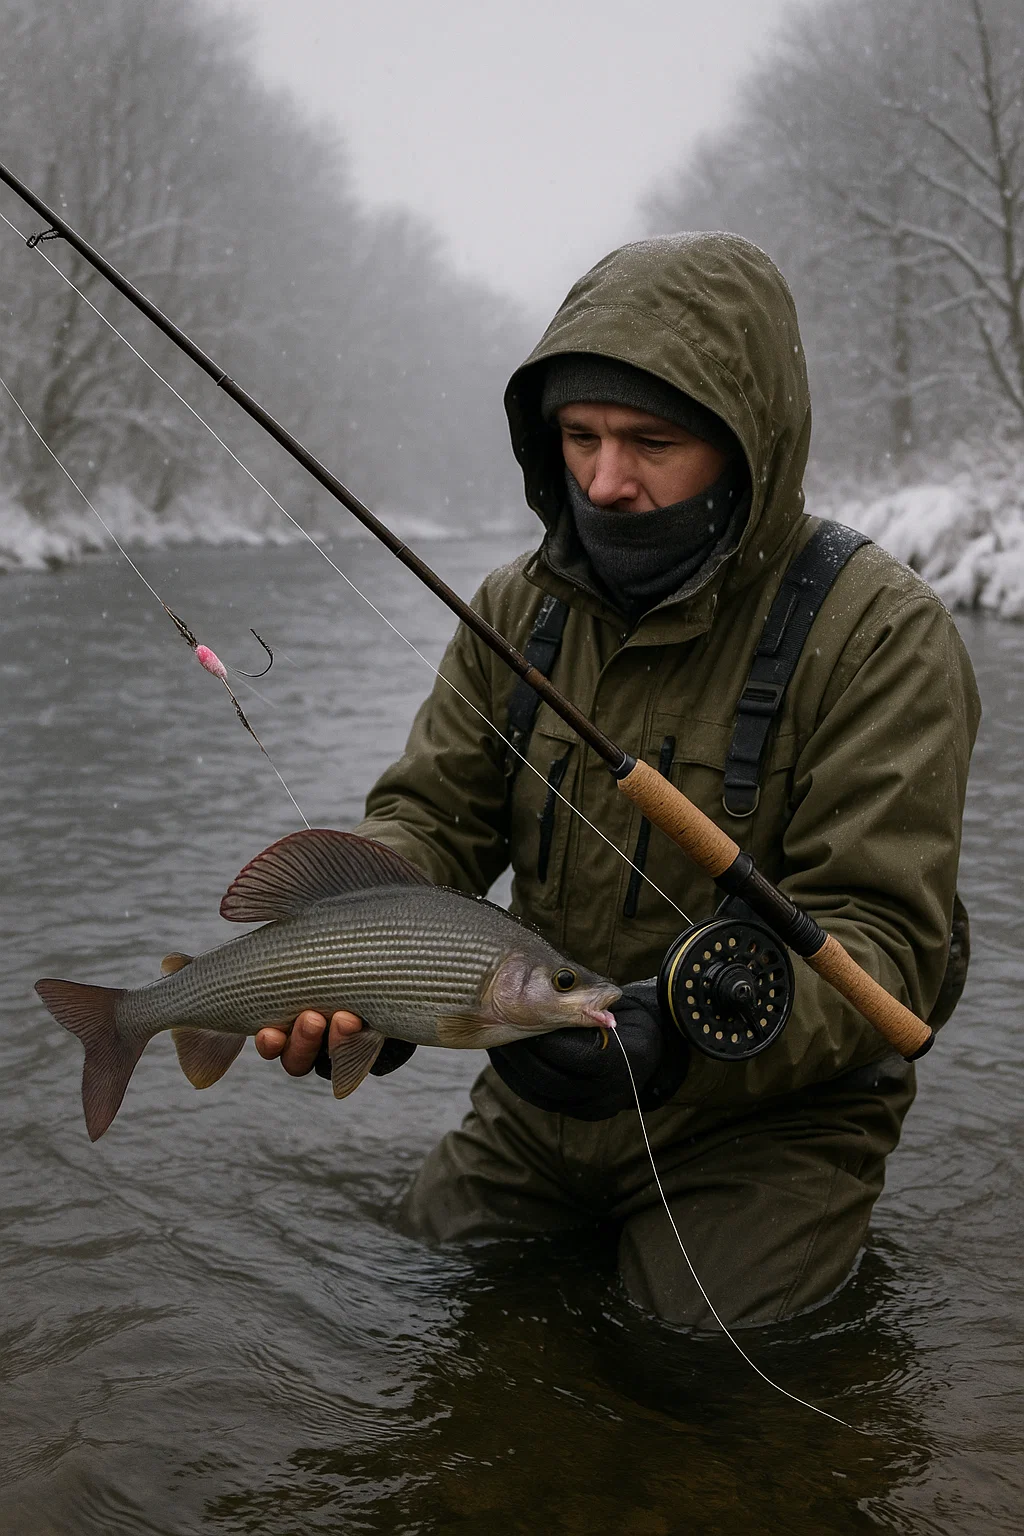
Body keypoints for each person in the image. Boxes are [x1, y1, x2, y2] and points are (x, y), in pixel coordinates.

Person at [255, 233, 980, 1327]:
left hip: (770, 1126)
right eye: (581, 437)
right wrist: (371, 971)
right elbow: (430, 820)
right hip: (539, 1097)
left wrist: (674, 1043)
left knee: (697, 1370)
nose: (604, 481)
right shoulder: (514, 611)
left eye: (652, 442)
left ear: (746, 448)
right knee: (405, 1304)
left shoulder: (885, 635)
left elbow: (887, 946)